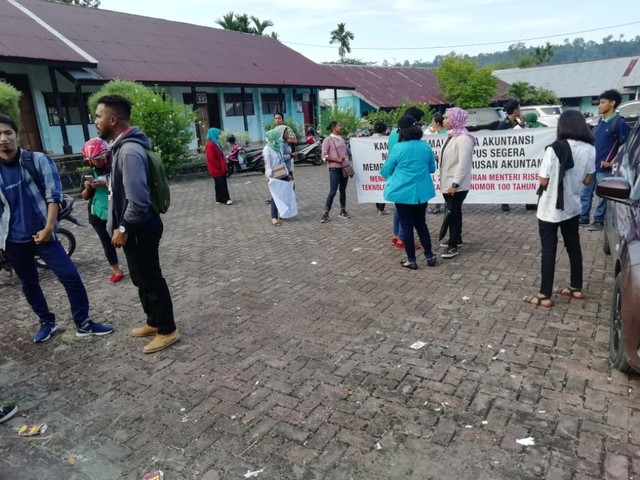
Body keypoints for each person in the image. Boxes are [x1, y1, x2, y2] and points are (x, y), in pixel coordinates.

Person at [0, 114, 114, 342]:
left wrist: (49, 228)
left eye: (7, 133)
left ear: (16, 135)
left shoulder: (38, 160)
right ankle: (46, 321)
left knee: (70, 276)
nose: (3, 139)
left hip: (43, 234)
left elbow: (53, 196)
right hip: (13, 240)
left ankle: (83, 322)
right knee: (29, 284)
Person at [94, 95, 179, 353]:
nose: (95, 121)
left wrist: (123, 228)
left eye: (98, 116)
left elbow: (139, 200)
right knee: (141, 278)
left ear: (112, 119)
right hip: (135, 227)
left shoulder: (129, 151)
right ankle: (153, 322)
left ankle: (168, 330)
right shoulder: (122, 147)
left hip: (139, 226)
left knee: (151, 279)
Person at [524, 110, 595, 308]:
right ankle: (576, 287)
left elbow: (544, 179)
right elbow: (588, 179)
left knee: (548, 249)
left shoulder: (554, 148)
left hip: (550, 208)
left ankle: (544, 294)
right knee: (574, 246)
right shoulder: (590, 148)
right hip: (572, 206)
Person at [380, 115, 437, 269]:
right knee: (421, 224)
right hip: (422, 193)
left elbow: (385, 170)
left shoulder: (398, 148)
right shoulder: (425, 146)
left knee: (406, 227)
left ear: (402, 131)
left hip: (402, 194)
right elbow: (432, 168)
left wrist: (395, 176)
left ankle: (411, 260)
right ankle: (430, 255)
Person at [579, 89, 630, 231]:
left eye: (602, 102)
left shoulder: (619, 123)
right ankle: (583, 217)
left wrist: (613, 161)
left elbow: (625, 146)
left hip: (605, 168)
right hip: (593, 165)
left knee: (602, 195)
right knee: (585, 192)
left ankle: (599, 220)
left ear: (612, 103)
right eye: (599, 103)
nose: (599, 106)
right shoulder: (601, 121)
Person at [80, 138, 125, 283]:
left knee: (124, 239)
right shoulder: (89, 173)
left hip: (115, 211)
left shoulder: (114, 167)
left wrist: (106, 184)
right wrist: (88, 187)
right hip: (97, 214)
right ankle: (116, 269)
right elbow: (85, 197)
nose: (96, 161)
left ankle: (135, 265)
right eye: (92, 159)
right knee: (107, 244)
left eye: (98, 158)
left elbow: (123, 187)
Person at [439, 107, 475, 259]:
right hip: (448, 183)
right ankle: (456, 239)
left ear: (455, 119)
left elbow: (463, 163)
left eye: (447, 118)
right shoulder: (452, 136)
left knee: (453, 214)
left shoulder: (463, 139)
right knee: (454, 212)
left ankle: (453, 245)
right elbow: (451, 158)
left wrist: (455, 184)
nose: (444, 120)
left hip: (456, 185)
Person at [388, 107, 425, 246]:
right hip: (408, 176)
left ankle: (396, 235)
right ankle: (403, 238)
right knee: (407, 210)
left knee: (399, 207)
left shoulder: (393, 133)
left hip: (396, 174)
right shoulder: (409, 137)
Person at [496, 100, 525, 212]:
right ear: (515, 110)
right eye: (519, 108)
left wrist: (522, 124)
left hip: (515, 156)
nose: (520, 110)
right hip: (506, 158)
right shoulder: (504, 124)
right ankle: (505, 202)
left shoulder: (515, 123)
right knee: (505, 179)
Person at [320, 121, 351, 223]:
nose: (341, 127)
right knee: (333, 191)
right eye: (339, 126)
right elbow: (324, 156)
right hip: (334, 168)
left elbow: (347, 152)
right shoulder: (328, 140)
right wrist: (335, 159)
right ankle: (326, 213)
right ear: (333, 127)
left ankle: (343, 211)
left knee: (343, 190)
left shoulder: (342, 139)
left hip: (344, 168)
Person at [263, 128, 291, 226]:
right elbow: (267, 164)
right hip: (274, 175)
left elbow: (282, 159)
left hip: (282, 173)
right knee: (275, 196)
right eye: (277, 135)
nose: (279, 137)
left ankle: (282, 213)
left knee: (284, 194)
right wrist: (268, 176)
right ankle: (274, 217)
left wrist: (287, 172)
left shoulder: (278, 146)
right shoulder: (267, 149)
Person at [205, 128, 232, 205]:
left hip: (219, 167)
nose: (219, 135)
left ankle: (219, 198)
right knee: (222, 183)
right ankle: (226, 199)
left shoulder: (215, 142)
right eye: (218, 134)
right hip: (216, 168)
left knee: (218, 183)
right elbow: (211, 158)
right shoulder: (210, 144)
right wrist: (219, 165)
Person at [426, 113, 446, 214]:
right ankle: (439, 205)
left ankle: (440, 206)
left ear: (438, 123)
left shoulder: (443, 134)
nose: (432, 124)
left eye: (433, 122)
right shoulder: (435, 134)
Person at [371, 121, 388, 215]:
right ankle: (381, 208)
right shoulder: (386, 139)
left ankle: (378, 207)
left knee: (375, 186)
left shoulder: (368, 139)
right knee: (383, 186)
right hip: (384, 167)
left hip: (372, 167)